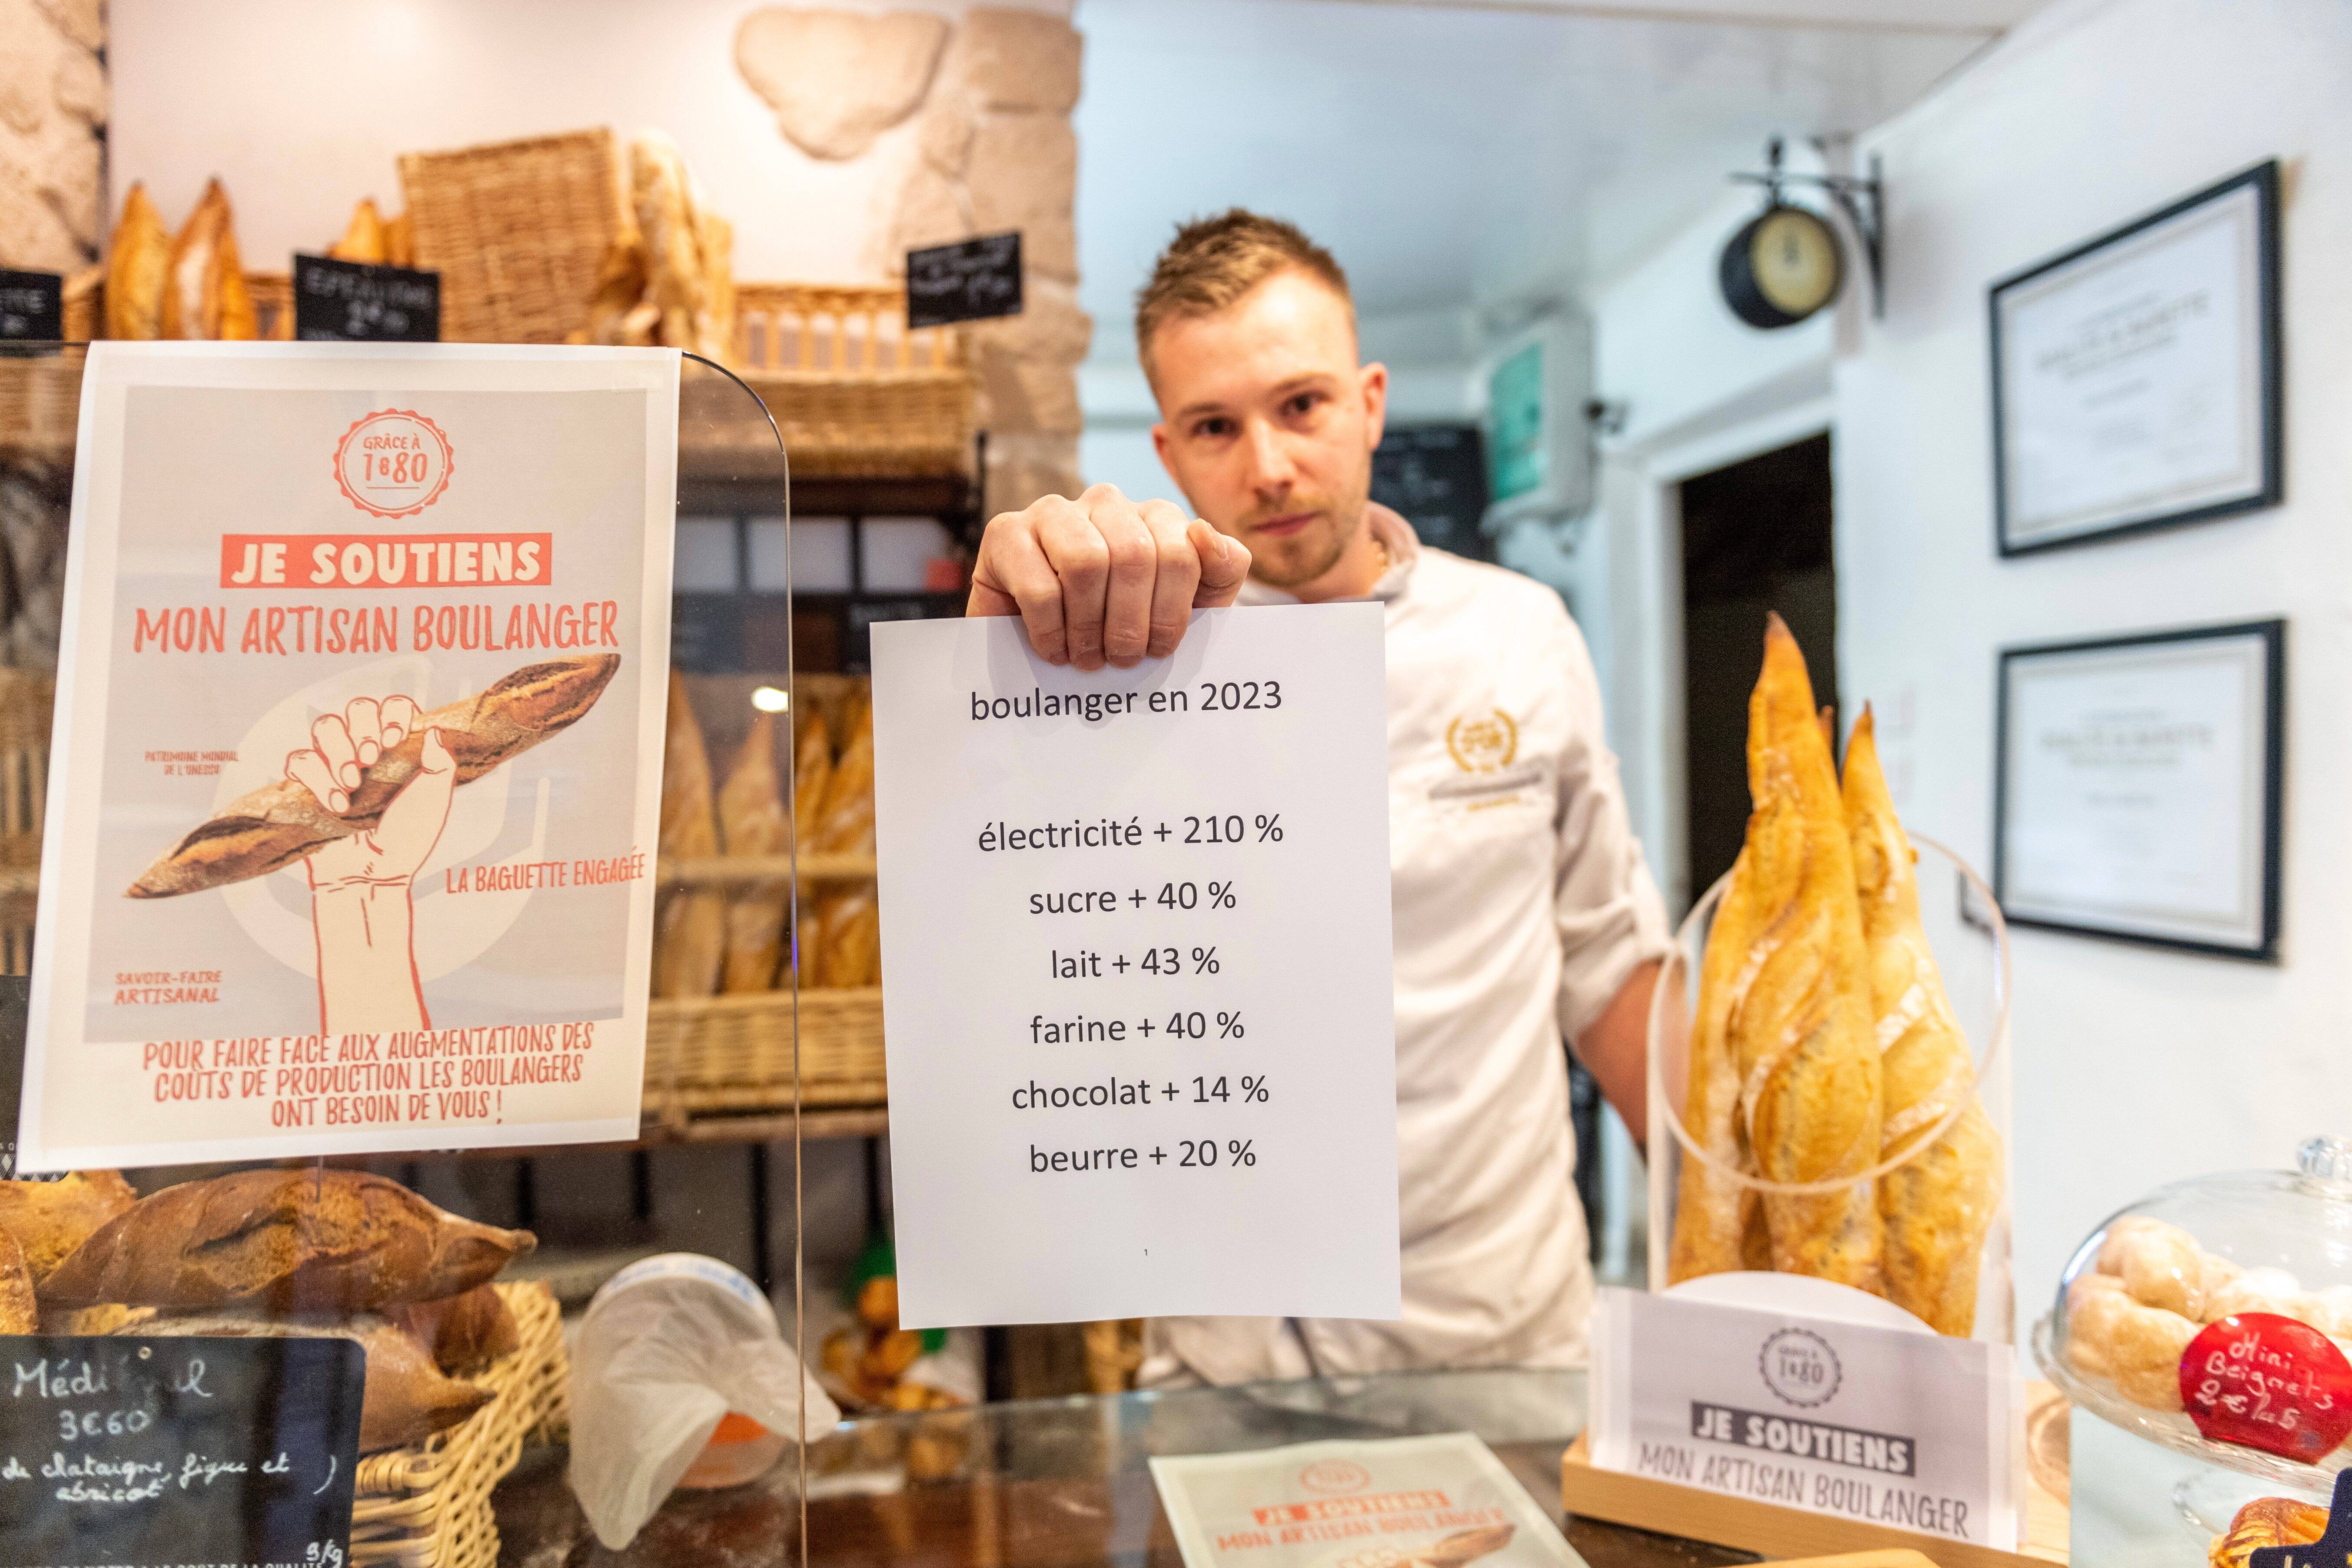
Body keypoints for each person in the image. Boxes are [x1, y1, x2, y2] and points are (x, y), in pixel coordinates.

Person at [968, 210, 1669, 1380]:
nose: (1268, 466)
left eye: (1300, 405)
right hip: (1229, 1356)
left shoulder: (1517, 634)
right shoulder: (1109, 673)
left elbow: (1607, 963)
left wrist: (1743, 1250)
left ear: (1370, 402)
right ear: (1165, 449)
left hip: (1502, 1333)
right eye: (1213, 426)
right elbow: (1022, 972)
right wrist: (996, 670)